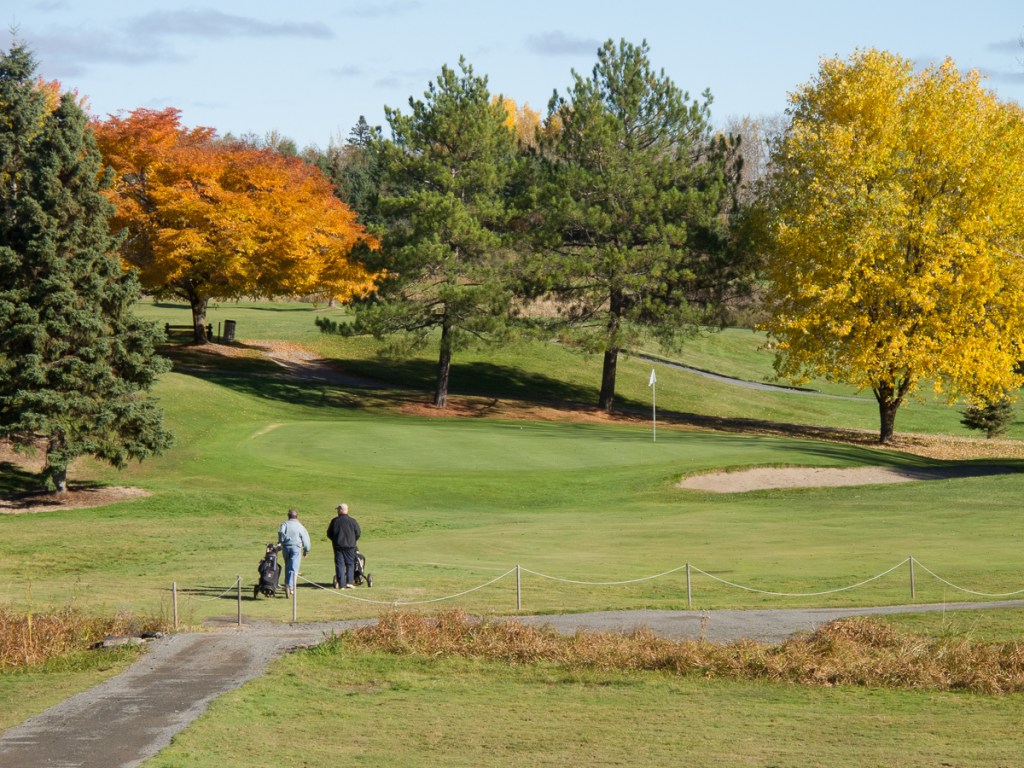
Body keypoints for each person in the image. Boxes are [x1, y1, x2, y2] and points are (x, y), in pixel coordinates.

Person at [326, 503, 361, 589]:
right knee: (350, 564)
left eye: (338, 510)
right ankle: (349, 582)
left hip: (338, 546)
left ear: (341, 510)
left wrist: (335, 540)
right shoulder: (353, 521)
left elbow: (329, 533)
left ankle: (341, 584)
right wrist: (353, 540)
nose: (337, 511)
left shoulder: (334, 521)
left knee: (340, 564)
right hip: (350, 546)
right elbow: (358, 533)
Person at [278, 508, 310, 598]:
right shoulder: (300, 526)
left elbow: (281, 533)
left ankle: (287, 585)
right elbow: (306, 539)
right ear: (297, 516)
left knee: (287, 566)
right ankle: (291, 588)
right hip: (296, 548)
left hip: (286, 547)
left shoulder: (284, 524)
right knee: (294, 568)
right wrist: (306, 550)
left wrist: (281, 541)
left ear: (288, 516)